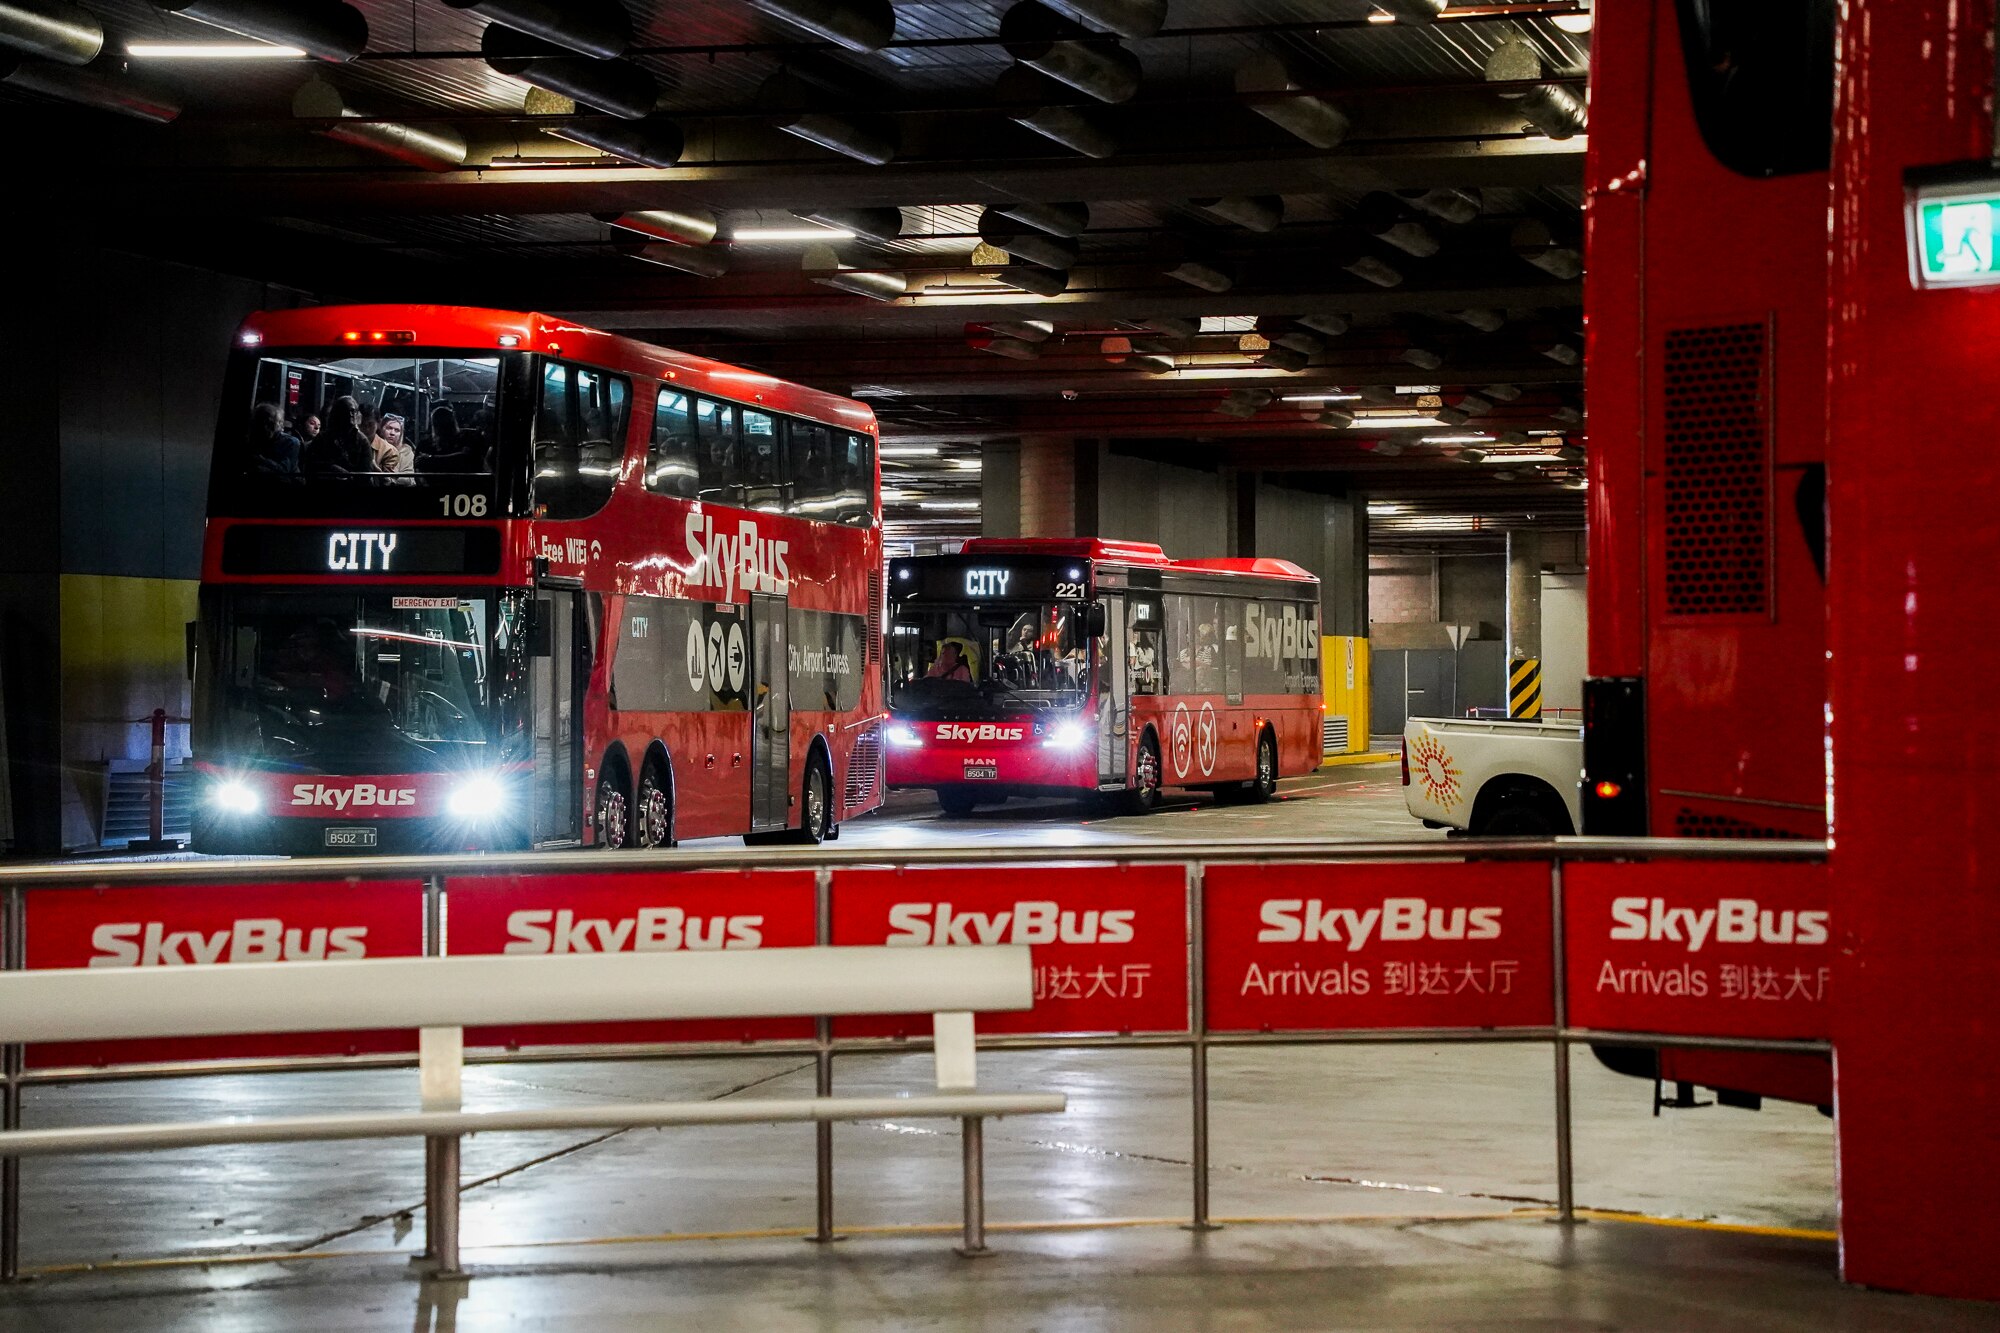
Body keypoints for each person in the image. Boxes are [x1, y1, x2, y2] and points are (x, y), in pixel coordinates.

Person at [304, 395, 374, 474]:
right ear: (338, 413)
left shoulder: (362, 441)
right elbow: (311, 466)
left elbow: (366, 472)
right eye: (346, 411)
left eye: (354, 411)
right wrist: (331, 468)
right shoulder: (322, 438)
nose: (351, 414)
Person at [247, 402, 300, 477]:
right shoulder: (253, 439)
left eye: (270, 422)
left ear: (280, 423)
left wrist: (261, 460)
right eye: (261, 422)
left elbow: (284, 471)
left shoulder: (290, 442)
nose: (265, 427)